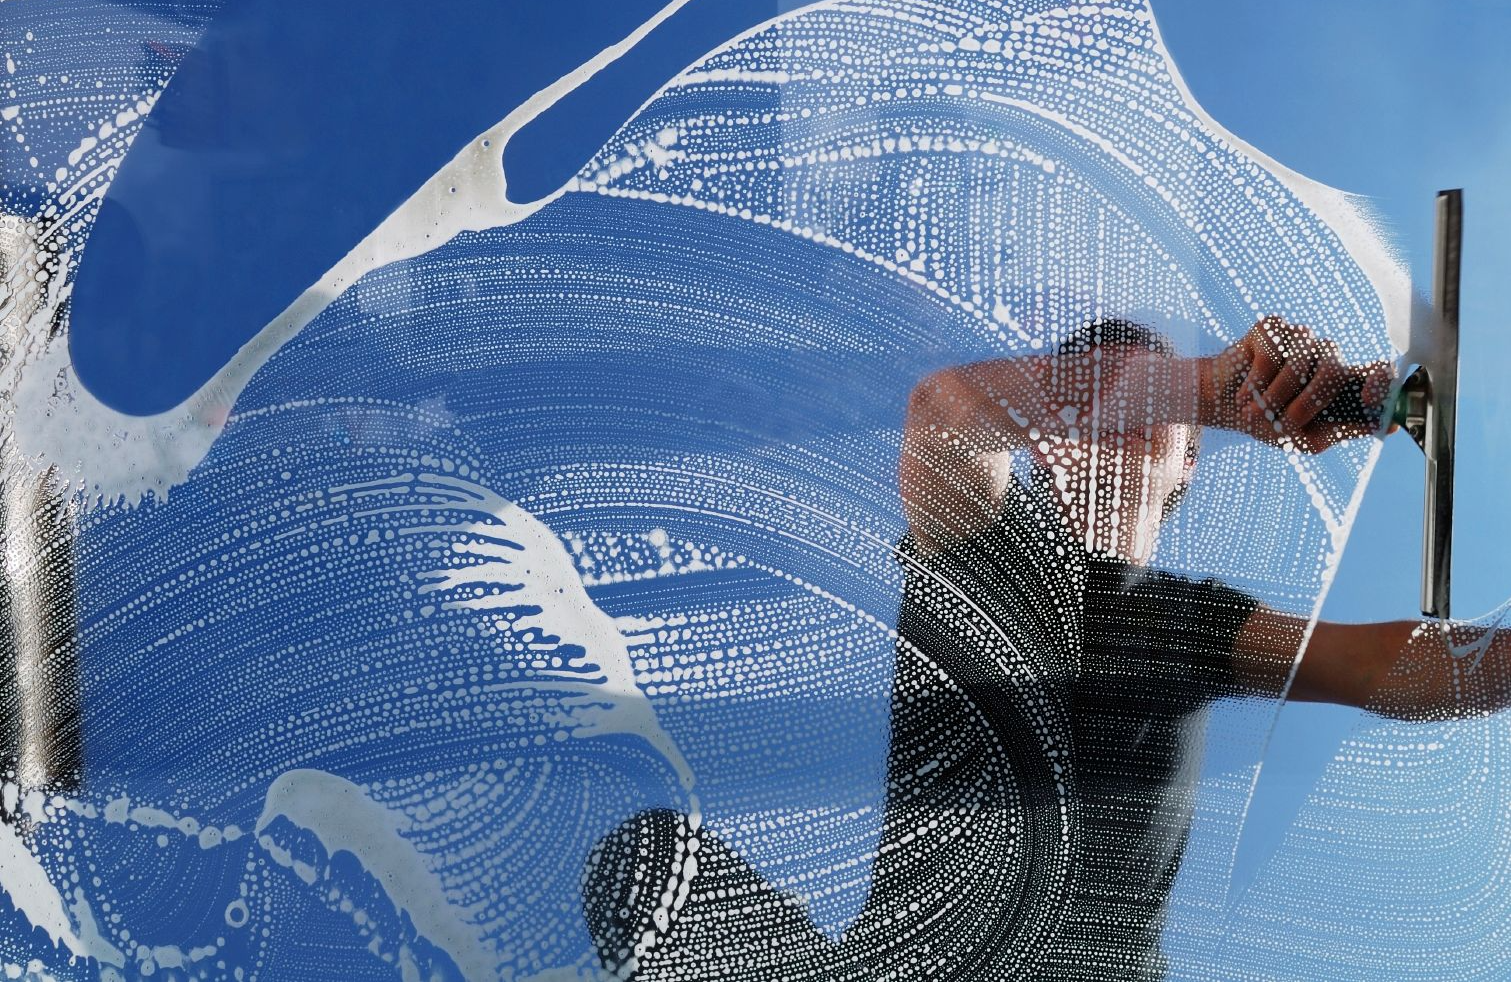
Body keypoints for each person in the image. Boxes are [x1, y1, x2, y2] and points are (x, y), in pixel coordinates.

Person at [581, 316, 1486, 980]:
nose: (1123, 406)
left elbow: (1381, 668)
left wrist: (1369, 399)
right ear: (1050, 436)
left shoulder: (1192, 622)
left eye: (1146, 396)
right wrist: (1208, 388)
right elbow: (946, 413)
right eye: (1099, 391)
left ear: (1189, 462)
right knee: (652, 863)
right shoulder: (981, 556)